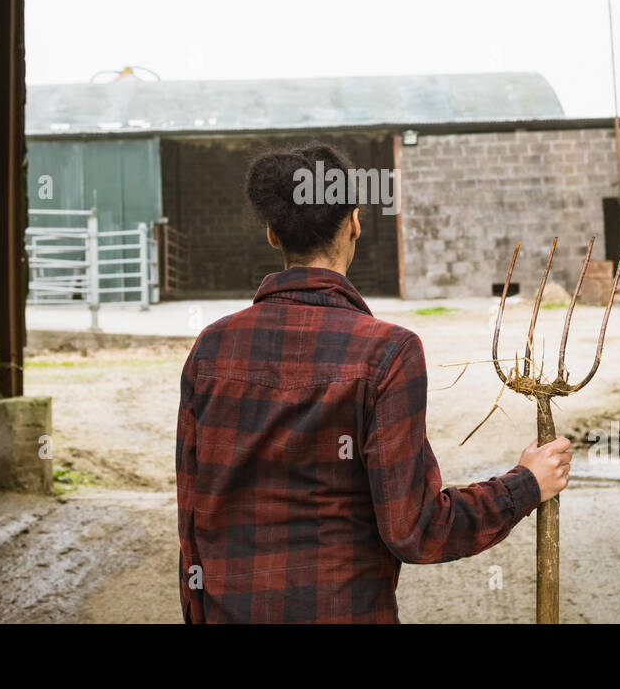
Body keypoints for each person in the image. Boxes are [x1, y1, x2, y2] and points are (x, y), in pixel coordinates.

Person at [176, 142, 572, 623]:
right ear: (354, 222)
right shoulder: (387, 353)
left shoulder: (211, 348)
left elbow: (192, 516)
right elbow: (417, 529)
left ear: (272, 234)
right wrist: (525, 485)